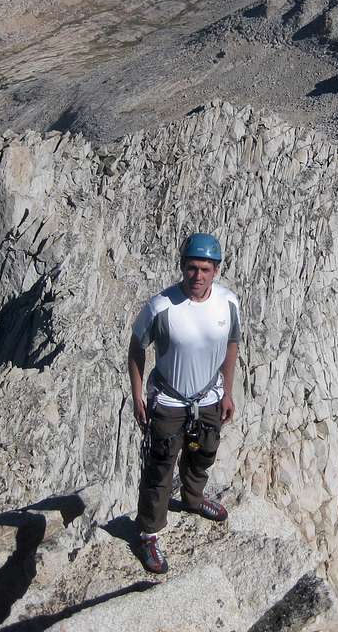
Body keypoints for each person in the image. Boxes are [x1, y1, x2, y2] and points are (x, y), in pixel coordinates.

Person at [127, 232, 240, 574]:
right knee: (160, 467)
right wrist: (136, 395)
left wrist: (228, 392)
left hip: (209, 395)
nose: (198, 276)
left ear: (216, 270)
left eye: (205, 269)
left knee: (203, 452)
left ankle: (193, 498)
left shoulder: (228, 303)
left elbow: (231, 345)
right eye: (192, 268)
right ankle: (148, 533)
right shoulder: (161, 306)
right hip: (169, 401)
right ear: (182, 267)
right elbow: (136, 348)